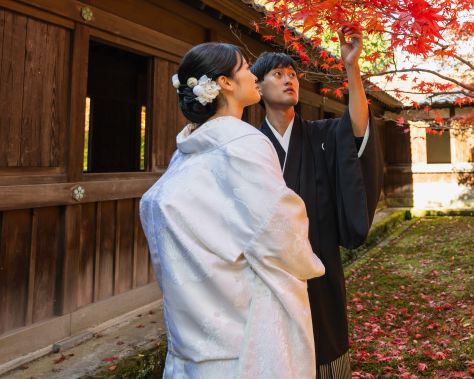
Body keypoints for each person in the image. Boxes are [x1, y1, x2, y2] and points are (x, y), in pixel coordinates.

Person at [139, 42, 325, 378]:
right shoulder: (246, 143)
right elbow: (278, 227)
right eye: (246, 68)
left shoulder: (185, 152)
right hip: (245, 323)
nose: (254, 76)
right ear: (224, 83)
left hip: (197, 320)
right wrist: (308, 262)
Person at [250, 29, 384, 378]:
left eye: (293, 74)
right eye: (277, 74)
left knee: (326, 348)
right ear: (257, 88)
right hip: (270, 271)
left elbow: (357, 128)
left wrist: (351, 67)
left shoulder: (321, 134)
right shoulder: (250, 146)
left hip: (319, 263)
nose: (289, 80)